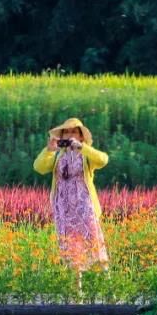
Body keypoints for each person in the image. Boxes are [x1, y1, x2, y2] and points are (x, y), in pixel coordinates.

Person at [33, 118, 109, 290]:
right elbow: (39, 167)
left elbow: (103, 160)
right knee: (70, 245)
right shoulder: (58, 155)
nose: (70, 135)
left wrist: (81, 147)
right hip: (64, 207)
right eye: (66, 132)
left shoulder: (86, 155)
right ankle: (77, 290)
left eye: (74, 132)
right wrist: (49, 150)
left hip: (84, 205)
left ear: (81, 136)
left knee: (94, 242)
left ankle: (108, 285)